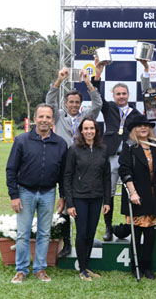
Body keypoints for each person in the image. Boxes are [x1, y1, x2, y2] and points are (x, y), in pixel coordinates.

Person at [6, 104, 68, 284]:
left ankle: (40, 269)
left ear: (52, 120)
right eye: (41, 117)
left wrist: (62, 196)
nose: (44, 120)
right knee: (23, 233)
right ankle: (21, 270)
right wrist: (14, 195)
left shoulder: (60, 144)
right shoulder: (22, 140)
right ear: (35, 119)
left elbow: (64, 174)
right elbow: (11, 169)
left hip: (49, 193)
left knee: (44, 233)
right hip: (25, 192)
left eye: (48, 117)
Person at [46, 67, 102, 257]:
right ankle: (67, 243)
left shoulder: (86, 117)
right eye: (70, 102)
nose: (73, 105)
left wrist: (88, 82)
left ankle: (83, 238)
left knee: (77, 204)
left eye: (77, 102)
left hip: (82, 166)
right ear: (65, 103)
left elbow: (98, 104)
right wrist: (59, 80)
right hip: (62, 163)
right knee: (64, 203)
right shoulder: (59, 115)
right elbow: (49, 101)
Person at [94, 57, 142, 241]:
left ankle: (132, 227)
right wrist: (98, 73)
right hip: (111, 157)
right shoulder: (109, 109)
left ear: (128, 95)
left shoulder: (136, 114)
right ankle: (107, 228)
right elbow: (97, 94)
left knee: (132, 192)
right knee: (109, 193)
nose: (121, 96)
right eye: (118, 94)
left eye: (124, 93)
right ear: (113, 96)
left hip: (130, 159)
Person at [118, 115, 156, 280]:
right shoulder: (129, 146)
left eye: (146, 126)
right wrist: (133, 192)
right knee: (137, 234)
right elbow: (124, 170)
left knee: (151, 235)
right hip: (137, 196)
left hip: (154, 196)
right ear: (134, 129)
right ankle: (136, 267)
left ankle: (148, 267)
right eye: (139, 126)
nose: (143, 128)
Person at [63, 117, 111, 281]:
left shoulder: (103, 149)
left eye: (92, 128)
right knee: (82, 233)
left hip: (97, 198)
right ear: (81, 131)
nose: (89, 131)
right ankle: (82, 269)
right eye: (86, 128)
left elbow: (106, 177)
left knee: (91, 233)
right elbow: (67, 177)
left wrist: (107, 201)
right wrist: (70, 203)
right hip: (79, 198)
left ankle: (87, 266)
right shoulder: (74, 149)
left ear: (96, 131)